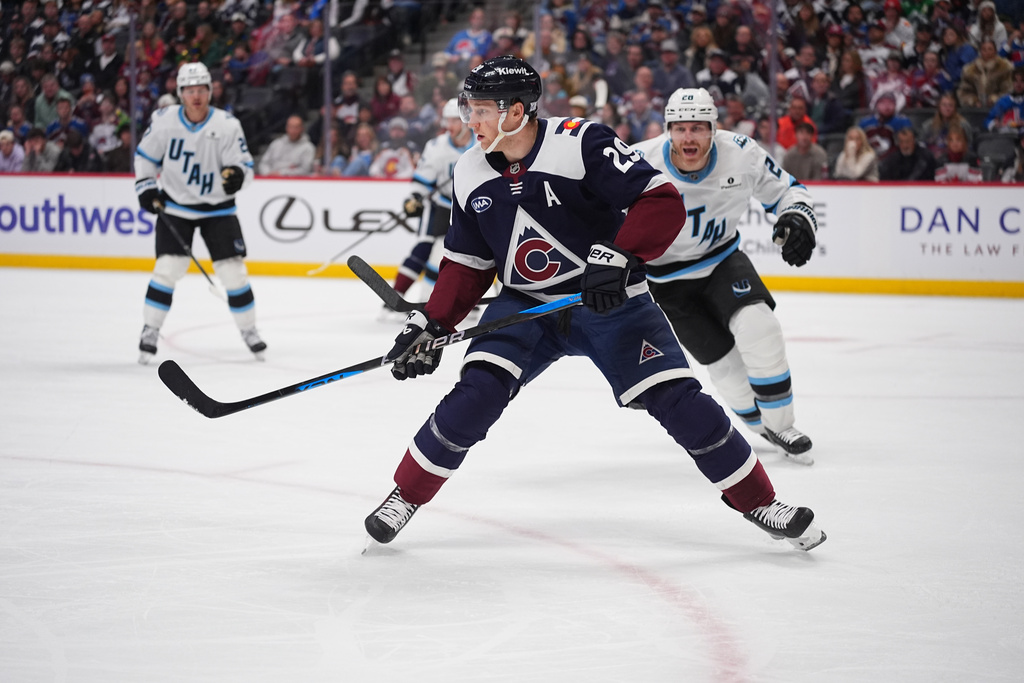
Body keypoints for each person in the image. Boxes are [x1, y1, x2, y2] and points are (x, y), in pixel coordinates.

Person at [363, 57, 826, 552]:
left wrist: (621, 256)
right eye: (467, 108)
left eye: (478, 110)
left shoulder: (581, 142)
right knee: (475, 395)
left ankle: (759, 501)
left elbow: (660, 199)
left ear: (515, 111)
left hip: (611, 302)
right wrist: (432, 321)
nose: (467, 122)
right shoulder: (470, 170)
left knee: (679, 400)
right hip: (525, 305)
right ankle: (405, 495)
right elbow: (468, 260)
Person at [631, 86, 818, 466]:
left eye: (698, 128)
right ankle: (761, 424)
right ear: (667, 130)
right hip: (665, 284)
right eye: (680, 128)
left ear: (713, 129)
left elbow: (789, 192)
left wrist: (797, 218)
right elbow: (594, 213)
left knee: (760, 329)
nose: (689, 138)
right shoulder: (638, 162)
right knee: (726, 370)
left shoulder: (742, 154)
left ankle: (784, 423)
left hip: (722, 261)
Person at [133, 62, 266, 365]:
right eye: (189, 90)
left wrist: (236, 176)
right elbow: (145, 157)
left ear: (210, 91)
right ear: (180, 93)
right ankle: (150, 329)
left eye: (201, 90)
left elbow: (245, 166)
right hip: (176, 207)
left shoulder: (227, 124)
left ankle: (249, 330)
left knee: (233, 273)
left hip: (219, 210)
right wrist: (146, 187)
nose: (196, 96)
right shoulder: (164, 121)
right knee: (167, 268)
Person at [392, 98, 473, 303]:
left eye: (455, 121)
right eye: (447, 121)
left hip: (472, 209)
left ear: (466, 121)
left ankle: (466, 302)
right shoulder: (437, 146)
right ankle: (398, 296)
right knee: (426, 247)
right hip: (442, 205)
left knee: (475, 255)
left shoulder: (482, 144)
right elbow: (422, 180)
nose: (450, 126)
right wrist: (415, 199)